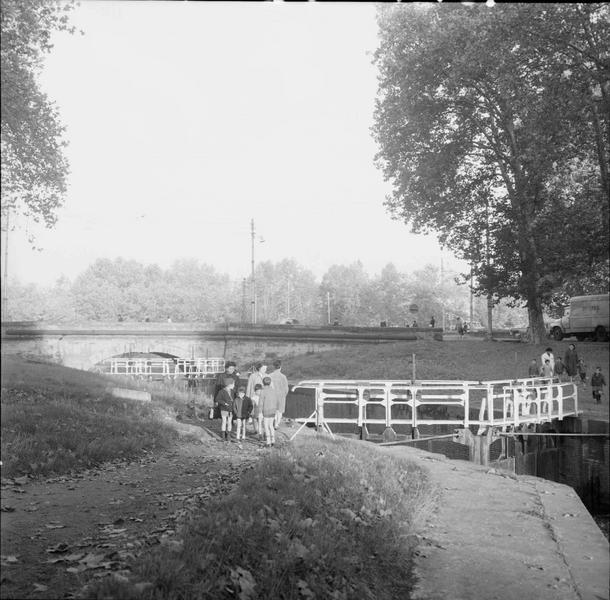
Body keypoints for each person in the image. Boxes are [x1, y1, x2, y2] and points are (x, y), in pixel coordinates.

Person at [269, 359, 289, 429]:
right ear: (280, 367)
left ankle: (273, 422)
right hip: (281, 396)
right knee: (279, 411)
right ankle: (276, 424)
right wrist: (284, 395)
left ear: (273, 367)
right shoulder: (283, 377)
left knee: (273, 410)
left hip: (272, 396)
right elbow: (286, 389)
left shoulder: (269, 376)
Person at [259, 376, 278, 447]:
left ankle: (268, 441)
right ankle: (273, 440)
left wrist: (260, 412)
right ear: (270, 383)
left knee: (266, 426)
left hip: (266, 410)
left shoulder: (263, 391)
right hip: (273, 410)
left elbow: (261, 403)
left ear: (263, 383)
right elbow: (276, 401)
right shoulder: (274, 390)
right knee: (271, 426)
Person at [215, 378, 235, 442]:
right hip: (224, 409)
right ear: (229, 384)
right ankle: (223, 436)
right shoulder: (221, 391)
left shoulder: (232, 391)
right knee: (224, 422)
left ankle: (228, 435)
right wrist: (224, 403)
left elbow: (234, 399)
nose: (234, 385)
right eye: (233, 384)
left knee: (229, 422)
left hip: (230, 409)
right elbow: (217, 399)